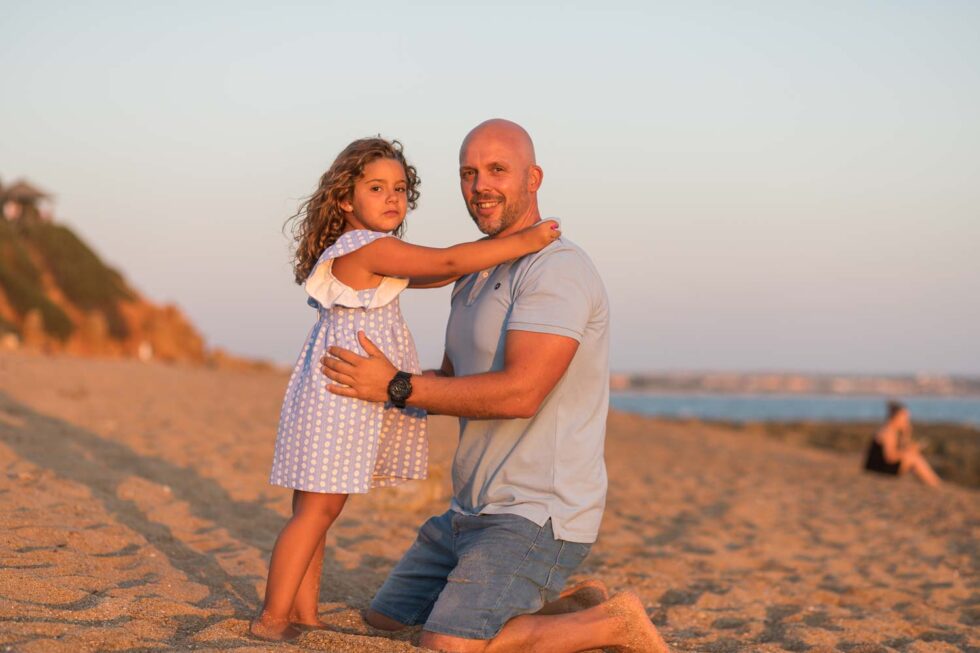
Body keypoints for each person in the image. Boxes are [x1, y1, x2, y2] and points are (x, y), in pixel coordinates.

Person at [321, 120, 669, 652]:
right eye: (468, 173)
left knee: (446, 645)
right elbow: (451, 381)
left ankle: (611, 624)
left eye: (497, 170)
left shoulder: (557, 270)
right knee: (385, 622)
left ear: (534, 178)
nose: (480, 185)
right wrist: (366, 384)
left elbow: (519, 394)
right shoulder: (476, 272)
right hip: (467, 512)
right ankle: (568, 610)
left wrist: (395, 387)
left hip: (536, 515)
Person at [251, 137, 561, 641]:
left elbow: (437, 277)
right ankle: (272, 618)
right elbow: (444, 264)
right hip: (341, 392)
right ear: (346, 200)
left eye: (400, 188)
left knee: (319, 510)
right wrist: (525, 242)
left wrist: (483, 256)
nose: (392, 198)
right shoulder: (370, 246)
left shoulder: (365, 251)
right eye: (376, 188)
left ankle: (303, 614)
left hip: (333, 390)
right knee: (315, 512)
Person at [864, 400, 941, 487]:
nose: (906, 420)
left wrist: (906, 434)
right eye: (904, 417)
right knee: (914, 458)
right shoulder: (888, 432)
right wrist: (908, 451)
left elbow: (902, 447)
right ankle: (934, 484)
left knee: (913, 455)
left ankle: (933, 482)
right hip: (878, 468)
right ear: (896, 417)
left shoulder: (892, 430)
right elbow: (890, 457)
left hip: (880, 466)